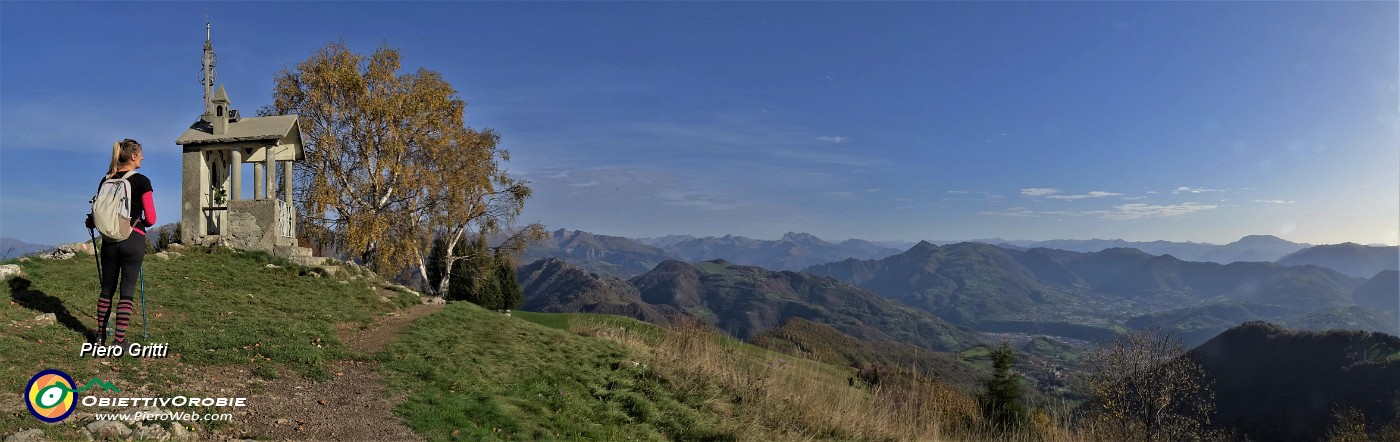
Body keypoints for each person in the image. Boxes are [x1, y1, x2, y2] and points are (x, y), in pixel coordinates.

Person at [85, 138, 155, 346]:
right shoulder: (142, 181)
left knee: (107, 290)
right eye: (140, 154)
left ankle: (99, 336)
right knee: (127, 292)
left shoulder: (106, 180)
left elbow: (96, 213)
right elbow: (151, 218)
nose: (142, 157)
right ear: (133, 156)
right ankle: (119, 342)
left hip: (109, 240)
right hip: (133, 239)